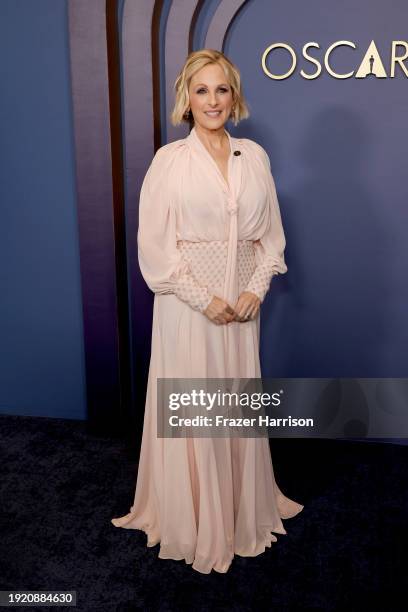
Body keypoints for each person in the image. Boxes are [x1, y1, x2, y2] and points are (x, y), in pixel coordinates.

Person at [111, 49, 304, 574]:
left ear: (234, 95)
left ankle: (241, 508)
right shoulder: (169, 161)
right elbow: (155, 250)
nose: (212, 100)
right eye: (202, 90)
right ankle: (193, 518)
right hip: (189, 312)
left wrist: (255, 290)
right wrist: (205, 300)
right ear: (186, 99)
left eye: (221, 90)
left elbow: (271, 241)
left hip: (242, 312)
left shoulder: (255, 156)